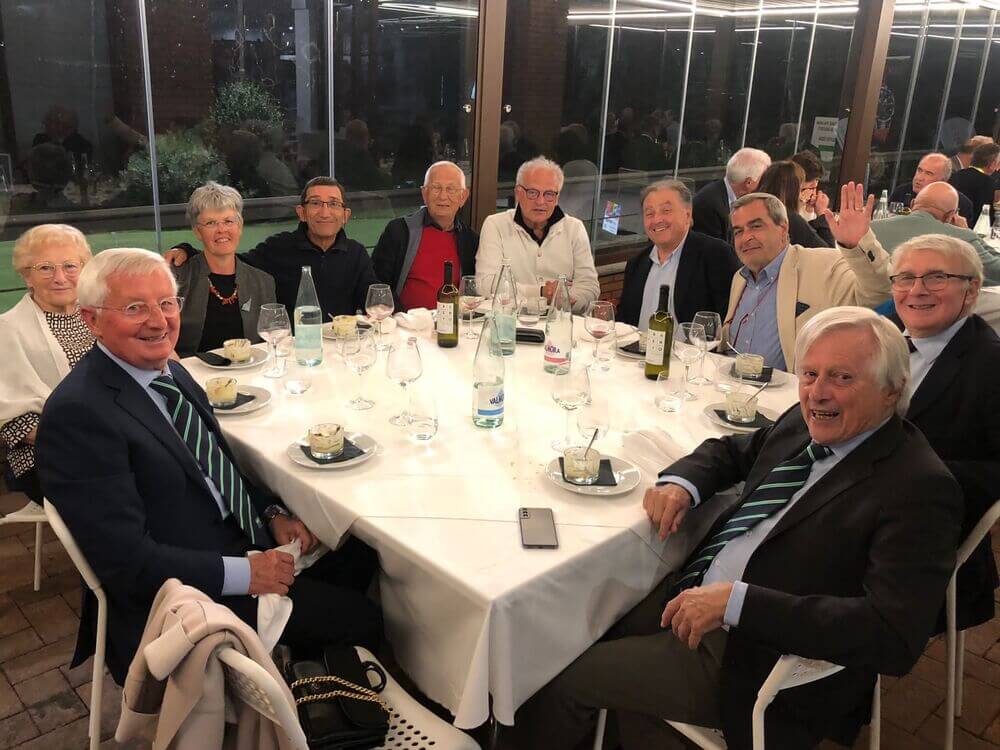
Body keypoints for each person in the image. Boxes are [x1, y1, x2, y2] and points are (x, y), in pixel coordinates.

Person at [507, 306, 960, 750]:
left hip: (751, 661)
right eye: (809, 374)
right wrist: (682, 483)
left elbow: (892, 635)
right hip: (691, 594)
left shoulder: (919, 488)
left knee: (553, 677)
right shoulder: (807, 420)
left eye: (842, 377)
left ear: (891, 390)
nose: (818, 392)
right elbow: (733, 451)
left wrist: (740, 604)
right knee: (566, 627)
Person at [35, 248, 381, 684]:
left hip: (239, 541)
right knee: (365, 618)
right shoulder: (79, 414)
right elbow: (125, 563)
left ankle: (302, 669)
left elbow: (219, 468)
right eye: (134, 308)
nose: (159, 322)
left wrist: (272, 513)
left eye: (166, 303)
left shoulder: (171, 373)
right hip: (185, 594)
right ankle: (304, 698)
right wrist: (247, 574)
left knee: (362, 552)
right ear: (92, 320)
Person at [888, 233, 1000, 632]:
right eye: (905, 277)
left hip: (915, 538)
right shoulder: (887, 338)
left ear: (971, 291)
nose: (916, 290)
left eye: (936, 277)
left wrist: (901, 471)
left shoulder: (990, 365)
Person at [723, 185, 892, 371]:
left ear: (783, 228)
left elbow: (879, 294)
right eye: (738, 231)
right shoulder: (740, 279)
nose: (746, 237)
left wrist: (856, 246)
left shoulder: (824, 265)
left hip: (792, 388)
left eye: (756, 226)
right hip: (730, 383)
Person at [165, 177, 379, 320]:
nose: (325, 212)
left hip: (341, 346)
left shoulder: (356, 254)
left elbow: (374, 302)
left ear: (345, 215)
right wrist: (187, 250)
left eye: (333, 204)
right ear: (301, 213)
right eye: (315, 203)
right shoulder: (279, 247)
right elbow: (231, 260)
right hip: (291, 349)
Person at [0, 225, 94, 502]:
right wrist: (88, 440)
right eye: (45, 268)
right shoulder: (7, 330)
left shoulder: (101, 313)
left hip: (116, 440)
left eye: (70, 266)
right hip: (47, 453)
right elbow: (14, 420)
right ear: (26, 276)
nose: (60, 278)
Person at [476, 156, 600, 313]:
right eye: (533, 193)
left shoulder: (575, 228)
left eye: (549, 194)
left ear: (557, 198)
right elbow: (485, 284)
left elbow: (590, 286)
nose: (541, 201)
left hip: (562, 320)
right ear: (518, 193)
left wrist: (566, 298)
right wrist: (541, 292)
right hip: (512, 322)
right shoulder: (495, 225)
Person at [172, 182, 277, 356]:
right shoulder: (176, 278)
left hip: (250, 370)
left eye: (228, 221)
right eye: (211, 223)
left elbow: (272, 341)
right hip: (187, 370)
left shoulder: (263, 282)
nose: (221, 230)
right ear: (197, 231)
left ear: (240, 226)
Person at [618, 180, 739, 329]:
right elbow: (622, 322)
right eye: (649, 213)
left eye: (666, 211)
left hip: (691, 345)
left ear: (687, 215)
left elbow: (731, 320)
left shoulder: (715, 255)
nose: (657, 220)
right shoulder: (636, 264)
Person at [371, 161, 478, 311]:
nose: (443, 196)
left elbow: (472, 291)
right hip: (404, 321)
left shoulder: (470, 240)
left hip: (453, 321)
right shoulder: (399, 231)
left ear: (463, 197)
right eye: (436, 188)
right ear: (424, 193)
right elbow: (377, 285)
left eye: (451, 189)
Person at [871, 181, 1000, 285]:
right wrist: (967, 232)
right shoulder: (962, 238)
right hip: (927, 305)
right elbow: (996, 272)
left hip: (871, 303)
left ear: (912, 203)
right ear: (950, 215)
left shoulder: (872, 227)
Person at [692, 148, 771, 243]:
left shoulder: (738, 199)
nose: (764, 185)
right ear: (748, 183)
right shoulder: (709, 205)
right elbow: (715, 249)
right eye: (762, 180)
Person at [890, 152, 975, 227]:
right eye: (919, 170)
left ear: (943, 180)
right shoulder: (901, 192)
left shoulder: (961, 203)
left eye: (929, 174)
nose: (919, 178)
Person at [756, 161, 828, 247]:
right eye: (802, 189)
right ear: (793, 190)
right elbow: (829, 251)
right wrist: (822, 214)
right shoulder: (788, 217)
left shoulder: (754, 208)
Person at [790, 150, 834, 246]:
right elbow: (827, 248)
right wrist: (821, 214)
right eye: (810, 180)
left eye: (817, 179)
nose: (815, 185)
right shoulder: (785, 206)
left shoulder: (809, 203)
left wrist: (809, 210)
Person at [950, 141, 1000, 224]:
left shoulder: (954, 175)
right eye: (998, 164)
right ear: (992, 164)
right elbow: (988, 219)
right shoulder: (990, 184)